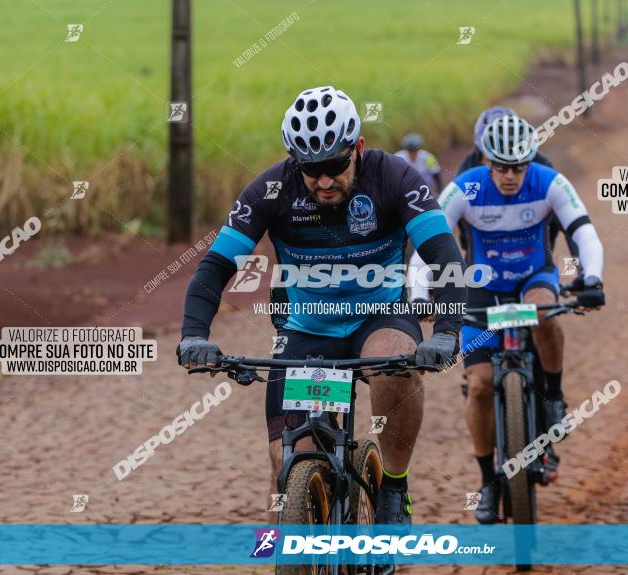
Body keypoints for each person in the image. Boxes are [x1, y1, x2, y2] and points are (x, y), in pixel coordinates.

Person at [177, 86, 467, 528]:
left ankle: (394, 484)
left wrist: (447, 330)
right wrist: (195, 334)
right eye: (312, 171)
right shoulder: (272, 188)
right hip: (306, 328)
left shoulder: (395, 177)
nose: (325, 181)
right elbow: (216, 267)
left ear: (359, 148)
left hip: (380, 316)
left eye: (334, 166)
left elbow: (444, 255)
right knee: (284, 460)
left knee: (396, 367)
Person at [409, 115, 606, 524]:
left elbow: (582, 229)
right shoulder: (465, 187)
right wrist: (420, 293)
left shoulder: (549, 181)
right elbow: (427, 242)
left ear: (530, 161)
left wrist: (592, 278)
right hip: (480, 290)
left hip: (533, 278)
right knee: (479, 387)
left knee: (544, 314)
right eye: (501, 166)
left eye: (519, 166)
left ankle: (552, 397)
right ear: (486, 160)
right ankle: (488, 481)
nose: (510, 176)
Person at [457, 106, 581, 281]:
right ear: (480, 150)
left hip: (533, 236)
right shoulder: (468, 168)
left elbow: (567, 224)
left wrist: (578, 270)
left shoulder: (538, 163)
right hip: (486, 243)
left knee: (558, 222)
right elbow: (460, 223)